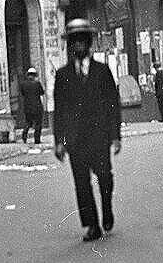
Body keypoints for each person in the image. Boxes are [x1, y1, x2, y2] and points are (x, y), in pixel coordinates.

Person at [52, 19, 122, 242]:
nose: (79, 46)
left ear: (89, 44)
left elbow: (113, 104)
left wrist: (115, 136)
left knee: (104, 177)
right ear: (71, 46)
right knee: (81, 183)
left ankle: (107, 209)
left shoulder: (102, 72)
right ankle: (92, 224)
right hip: (75, 139)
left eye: (83, 41)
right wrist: (59, 141)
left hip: (99, 136)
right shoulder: (63, 76)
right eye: (75, 42)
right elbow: (59, 110)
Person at [19, 65, 45, 144]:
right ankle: (37, 139)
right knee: (38, 123)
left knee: (28, 122)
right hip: (37, 107)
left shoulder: (23, 84)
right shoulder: (37, 83)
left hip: (27, 107)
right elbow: (42, 92)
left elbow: (22, 94)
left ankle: (24, 135)